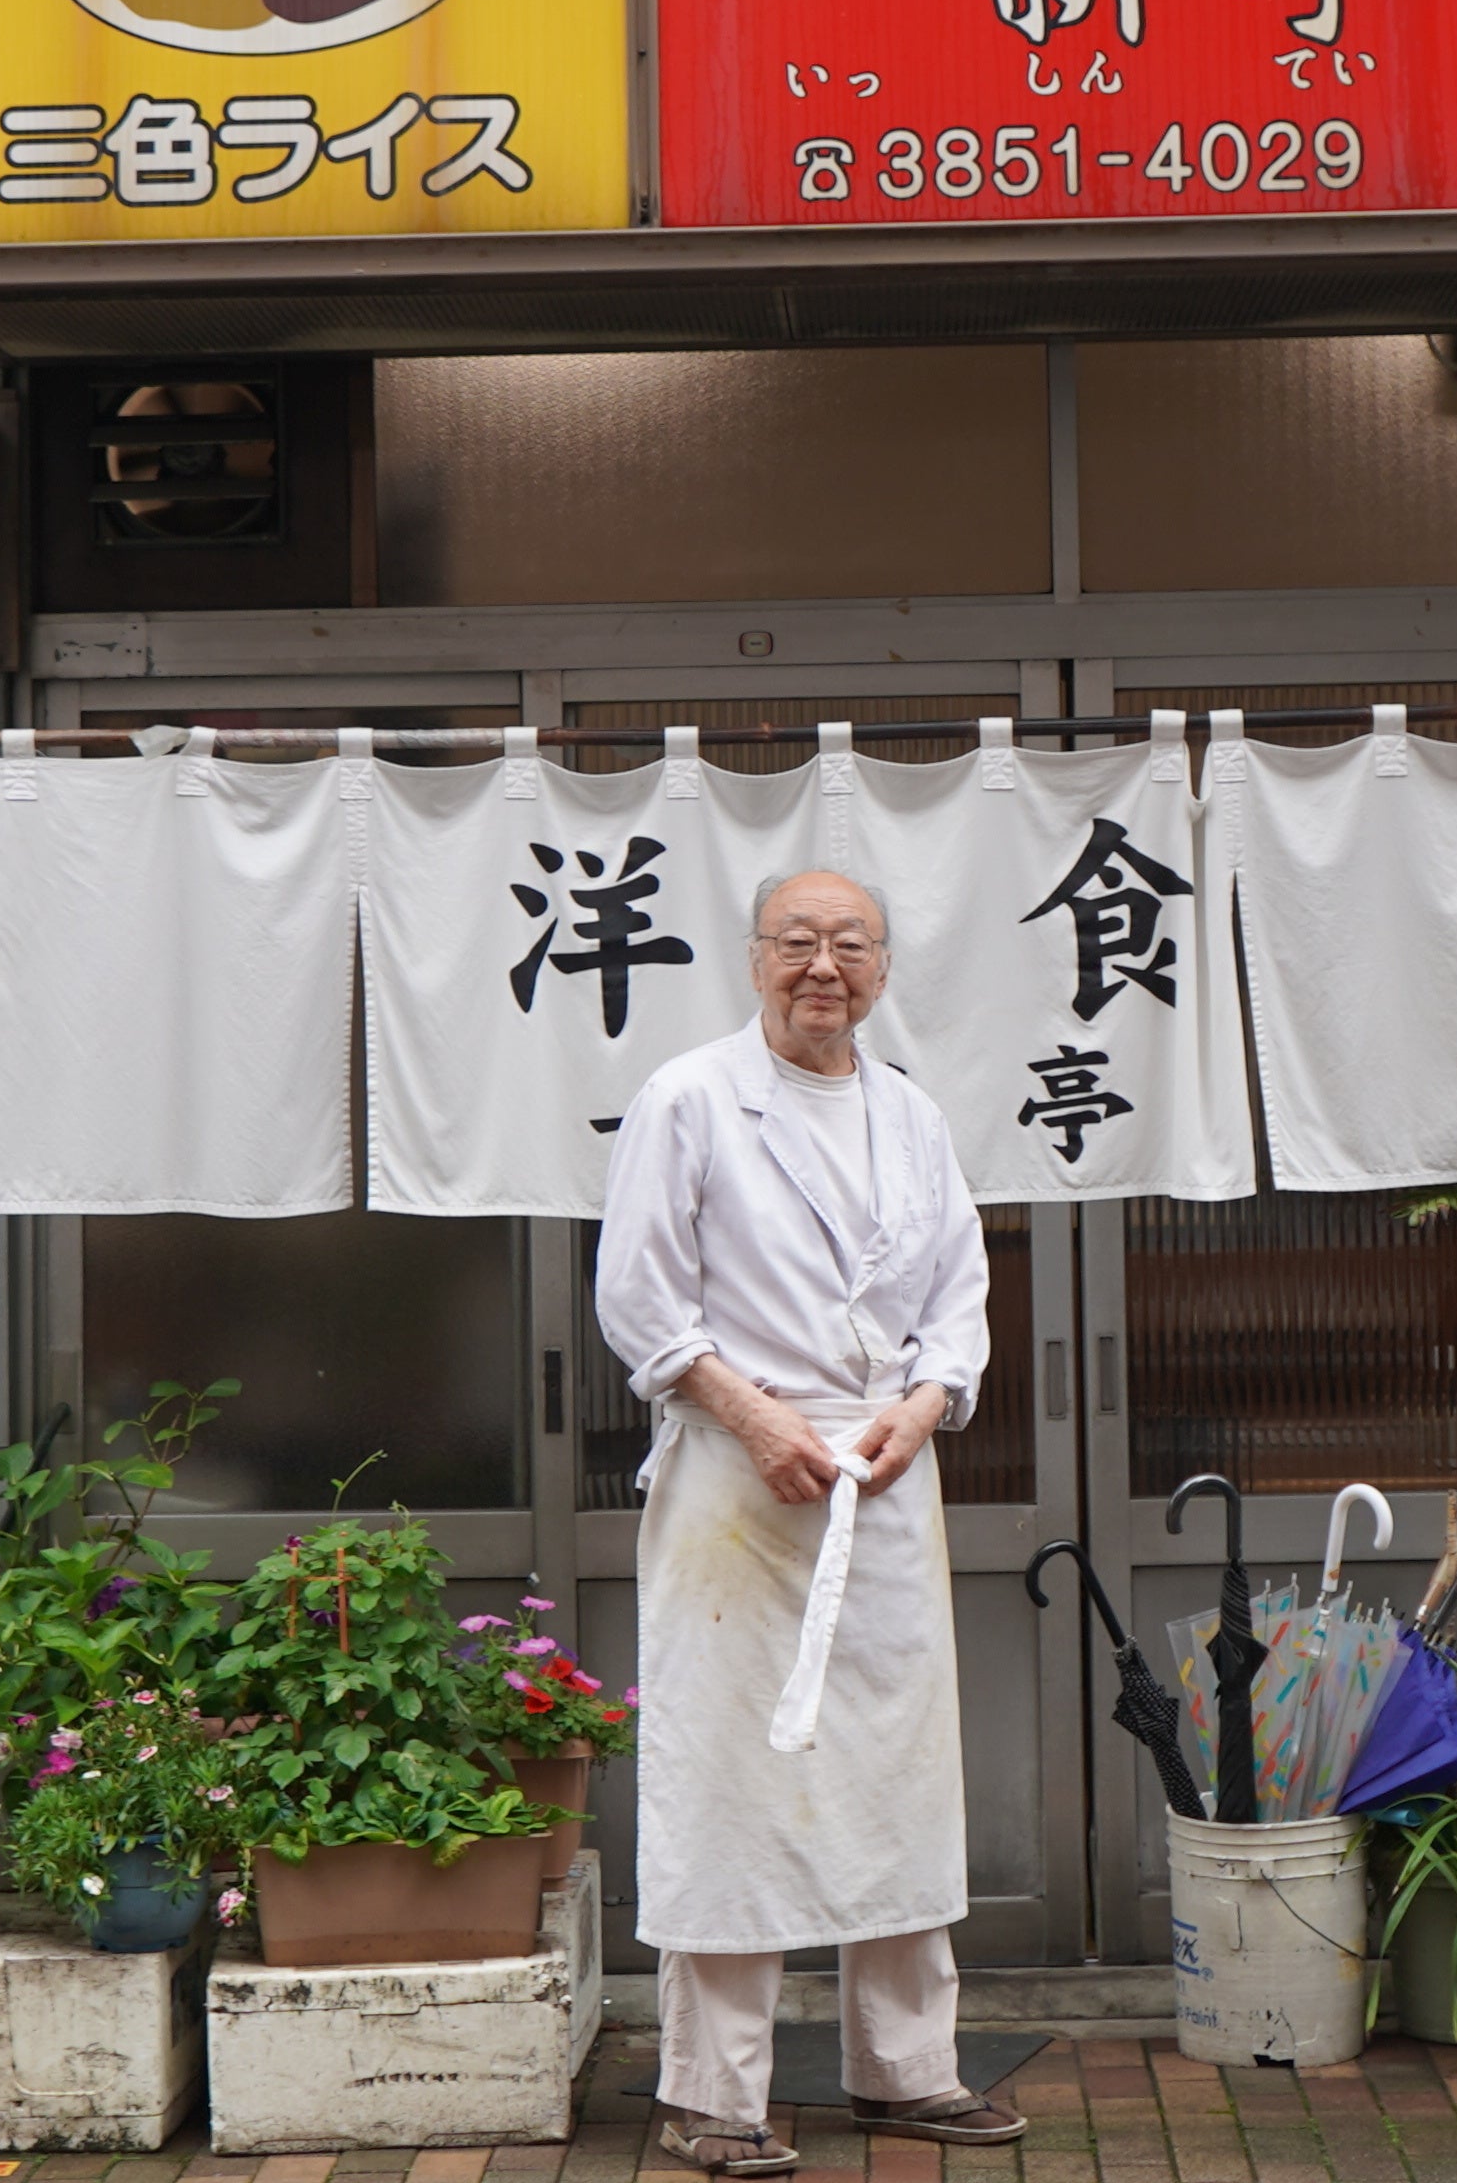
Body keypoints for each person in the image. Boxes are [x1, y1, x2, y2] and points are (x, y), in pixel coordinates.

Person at [592, 868, 1029, 2176]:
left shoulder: (910, 1115)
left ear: (882, 971)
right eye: (797, 942)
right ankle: (712, 2098)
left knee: (896, 1774)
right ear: (754, 959)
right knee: (730, 1781)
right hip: (738, 1478)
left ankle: (907, 2072)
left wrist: (928, 1402)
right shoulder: (690, 1099)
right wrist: (752, 1414)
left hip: (883, 1473)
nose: (822, 966)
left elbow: (959, 1290)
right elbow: (637, 1296)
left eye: (849, 945)